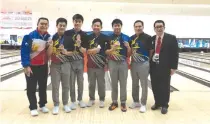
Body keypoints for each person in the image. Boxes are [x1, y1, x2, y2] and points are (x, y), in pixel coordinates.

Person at [21, 17, 51, 116]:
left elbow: (48, 53)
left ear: (48, 26)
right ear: (37, 24)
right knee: (31, 88)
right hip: (32, 66)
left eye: (46, 24)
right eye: (42, 23)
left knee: (43, 87)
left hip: (43, 66)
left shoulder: (48, 37)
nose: (43, 25)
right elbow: (24, 52)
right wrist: (26, 66)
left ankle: (42, 105)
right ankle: (33, 107)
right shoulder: (29, 36)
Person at [150, 20, 179, 114]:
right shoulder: (152, 38)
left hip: (166, 67)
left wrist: (173, 67)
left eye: (160, 26)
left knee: (165, 86)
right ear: (154, 29)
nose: (159, 28)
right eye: (157, 27)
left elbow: (175, 54)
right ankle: (157, 103)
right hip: (154, 66)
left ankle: (165, 105)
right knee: (155, 86)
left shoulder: (171, 38)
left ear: (164, 27)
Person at [63, 14, 88, 110]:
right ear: (73, 22)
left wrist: (79, 45)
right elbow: (64, 47)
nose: (77, 23)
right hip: (70, 61)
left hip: (80, 61)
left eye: (79, 21)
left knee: (80, 81)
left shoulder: (84, 35)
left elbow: (84, 51)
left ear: (82, 23)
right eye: (75, 21)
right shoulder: (67, 33)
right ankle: (73, 101)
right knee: (71, 82)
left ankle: (80, 99)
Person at [105, 19, 131, 112]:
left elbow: (129, 54)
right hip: (112, 62)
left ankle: (123, 102)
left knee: (123, 83)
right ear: (113, 27)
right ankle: (114, 102)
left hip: (123, 62)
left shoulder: (126, 37)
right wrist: (113, 48)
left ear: (121, 26)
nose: (117, 27)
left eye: (118, 25)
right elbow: (106, 52)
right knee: (114, 83)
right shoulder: (108, 38)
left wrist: (128, 47)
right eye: (115, 25)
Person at [47, 18, 71, 115]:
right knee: (55, 86)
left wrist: (66, 52)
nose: (62, 27)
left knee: (66, 86)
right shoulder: (51, 38)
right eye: (60, 25)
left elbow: (72, 52)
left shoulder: (69, 38)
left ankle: (65, 104)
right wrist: (50, 46)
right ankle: (56, 105)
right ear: (56, 26)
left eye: (63, 25)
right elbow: (48, 54)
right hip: (55, 65)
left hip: (66, 64)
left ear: (65, 26)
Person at [129, 20, 152, 113]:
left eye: (140, 26)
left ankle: (143, 104)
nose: (138, 28)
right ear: (134, 27)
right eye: (136, 26)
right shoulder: (131, 38)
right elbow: (130, 51)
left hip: (143, 64)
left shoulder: (148, 37)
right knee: (134, 84)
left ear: (143, 27)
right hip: (134, 64)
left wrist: (147, 61)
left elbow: (151, 51)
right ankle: (135, 101)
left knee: (144, 84)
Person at [86, 18, 109, 108]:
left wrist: (106, 62)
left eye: (98, 26)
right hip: (90, 65)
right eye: (94, 25)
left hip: (100, 65)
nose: (96, 27)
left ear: (101, 27)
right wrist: (93, 50)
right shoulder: (87, 37)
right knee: (91, 83)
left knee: (101, 83)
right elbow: (85, 50)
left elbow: (107, 51)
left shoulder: (105, 37)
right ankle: (91, 99)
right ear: (92, 26)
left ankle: (102, 99)